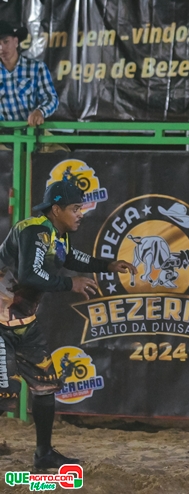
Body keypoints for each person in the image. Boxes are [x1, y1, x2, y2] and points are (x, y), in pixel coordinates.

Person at [0, 181, 136, 469]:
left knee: (45, 385)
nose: (81, 214)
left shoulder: (57, 236)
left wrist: (107, 265)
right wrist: (71, 283)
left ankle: (44, 454)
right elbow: (30, 276)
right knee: (3, 389)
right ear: (57, 209)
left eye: (82, 208)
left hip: (21, 322)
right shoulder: (34, 230)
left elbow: (71, 258)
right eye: (75, 209)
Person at [0, 21, 58, 127]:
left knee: (58, 145)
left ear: (16, 41)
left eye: (6, 42)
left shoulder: (37, 68)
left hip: (35, 132)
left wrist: (40, 111)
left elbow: (50, 98)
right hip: (4, 135)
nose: (1, 48)